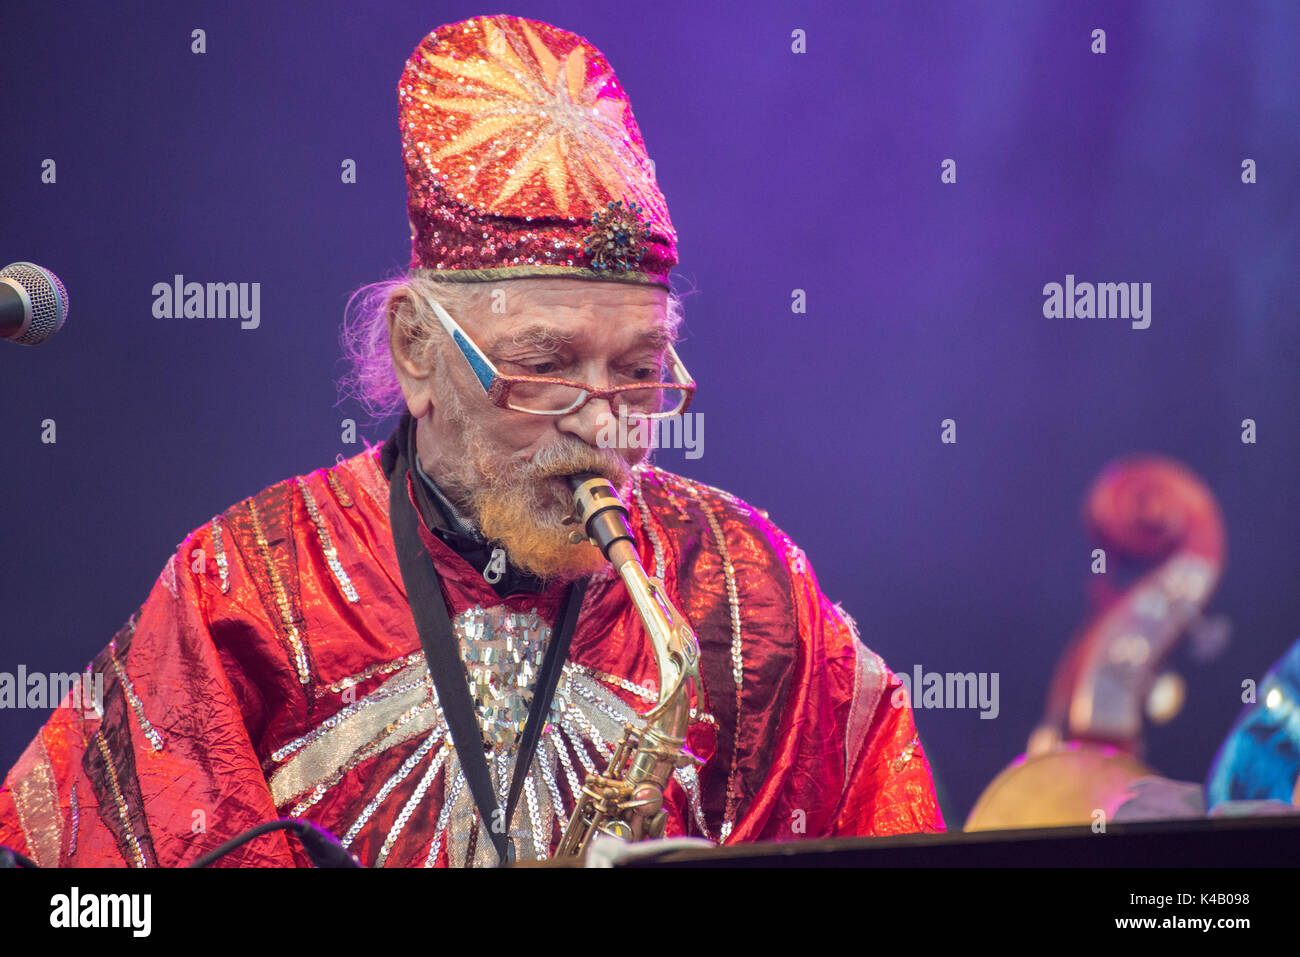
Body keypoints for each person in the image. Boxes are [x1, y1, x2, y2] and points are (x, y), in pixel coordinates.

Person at [0, 14, 944, 868]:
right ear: (418, 350)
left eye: (640, 369)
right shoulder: (241, 587)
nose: (606, 419)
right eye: (546, 364)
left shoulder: (756, 591)